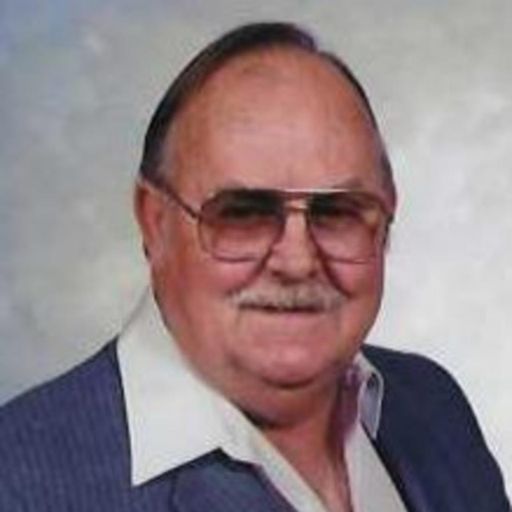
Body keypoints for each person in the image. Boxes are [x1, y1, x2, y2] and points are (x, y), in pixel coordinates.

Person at [0, 22, 509, 512]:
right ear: (154, 221)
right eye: (243, 214)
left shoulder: (431, 407)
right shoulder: (19, 484)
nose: (297, 261)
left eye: (337, 212)